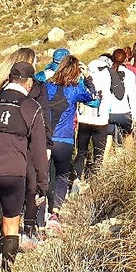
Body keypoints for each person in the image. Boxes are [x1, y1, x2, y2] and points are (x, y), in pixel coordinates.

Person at [0, 62, 47, 270]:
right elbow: (38, 151)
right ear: (29, 82)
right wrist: (42, 183)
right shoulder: (31, 108)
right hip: (14, 173)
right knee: (11, 221)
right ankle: (7, 269)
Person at [43, 56, 96, 229]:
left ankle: (39, 213)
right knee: (62, 176)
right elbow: (93, 99)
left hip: (45, 138)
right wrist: (87, 77)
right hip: (64, 139)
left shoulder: (47, 86)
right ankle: (55, 213)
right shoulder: (75, 89)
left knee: (46, 176)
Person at [75, 54, 112, 177]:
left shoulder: (84, 76)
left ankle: (77, 177)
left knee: (81, 152)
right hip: (101, 119)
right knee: (99, 152)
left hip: (84, 118)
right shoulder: (108, 75)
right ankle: (95, 178)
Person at [104, 47, 136, 151]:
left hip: (108, 113)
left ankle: (104, 161)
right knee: (128, 135)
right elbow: (132, 97)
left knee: (108, 137)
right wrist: (135, 118)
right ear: (125, 59)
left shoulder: (107, 72)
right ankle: (127, 159)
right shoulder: (129, 74)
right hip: (124, 112)